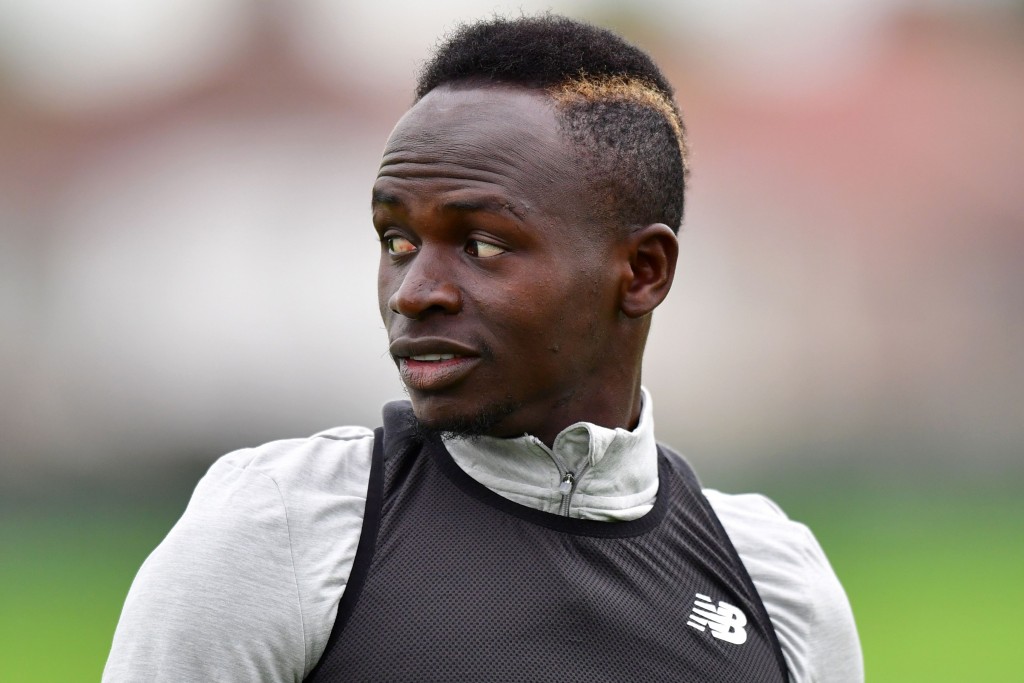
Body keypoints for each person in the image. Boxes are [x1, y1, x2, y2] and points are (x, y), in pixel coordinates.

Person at [104, 14, 862, 682]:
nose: (414, 291)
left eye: (482, 244)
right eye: (398, 240)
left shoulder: (775, 581)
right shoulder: (280, 530)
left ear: (642, 272)